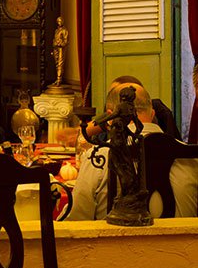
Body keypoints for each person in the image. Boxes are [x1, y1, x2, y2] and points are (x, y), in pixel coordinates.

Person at [67, 82, 197, 220]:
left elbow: (77, 217)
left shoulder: (99, 155)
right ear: (152, 114)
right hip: (183, 240)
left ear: (110, 117)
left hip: (116, 239)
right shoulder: (190, 156)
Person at [51, 16, 68, 86]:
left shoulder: (64, 30)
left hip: (61, 48)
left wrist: (61, 44)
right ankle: (58, 79)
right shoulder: (56, 30)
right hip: (55, 47)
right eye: (58, 21)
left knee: (60, 63)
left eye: (60, 21)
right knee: (57, 63)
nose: (59, 23)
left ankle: (59, 79)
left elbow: (66, 41)